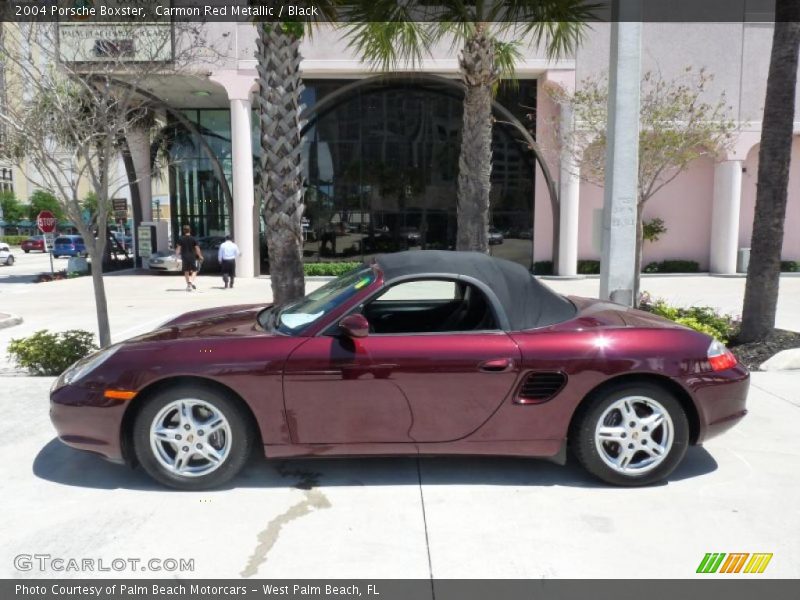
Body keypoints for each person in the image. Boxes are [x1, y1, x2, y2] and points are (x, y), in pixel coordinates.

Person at [175, 225, 203, 292]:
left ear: (184, 231)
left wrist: (176, 257)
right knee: (195, 270)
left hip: (184, 257)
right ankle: (190, 282)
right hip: (192, 257)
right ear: (190, 230)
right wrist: (200, 256)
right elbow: (197, 249)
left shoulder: (181, 239)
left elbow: (178, 249)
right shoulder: (194, 239)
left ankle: (188, 284)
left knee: (186, 271)